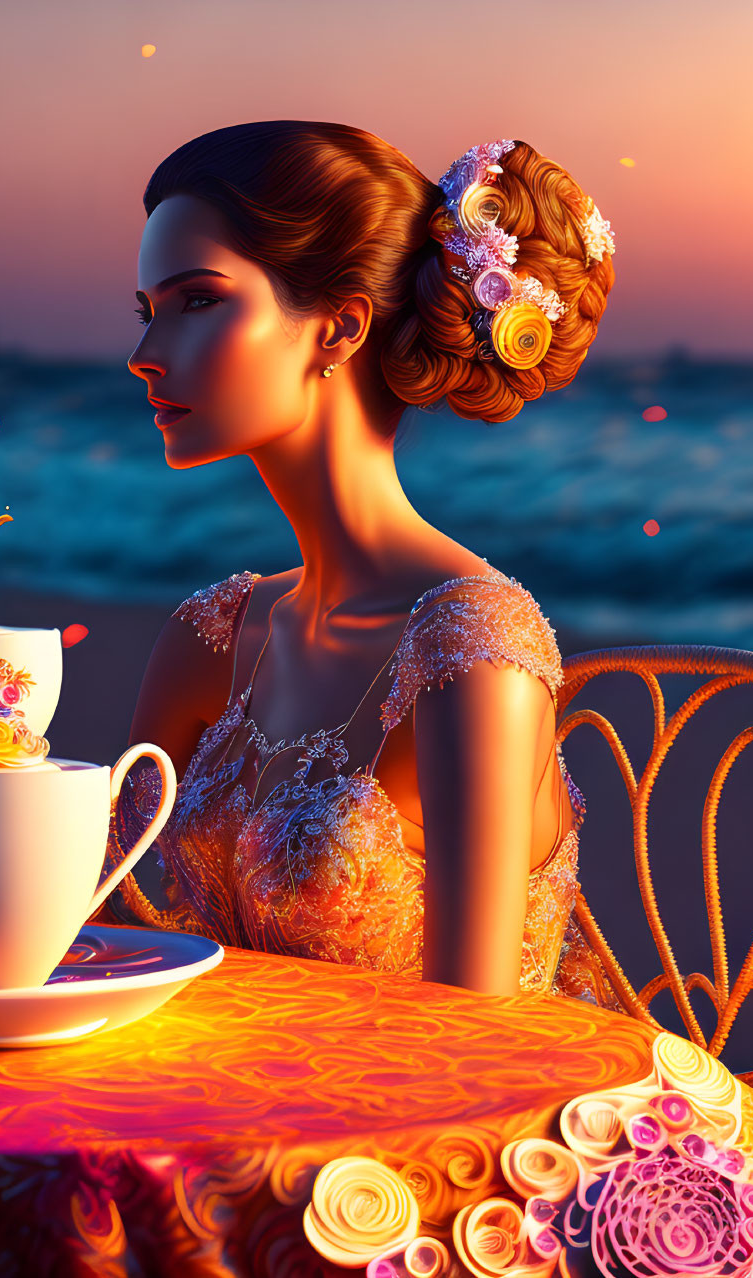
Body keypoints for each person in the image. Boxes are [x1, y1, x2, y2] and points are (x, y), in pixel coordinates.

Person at [90, 121, 620, 1006]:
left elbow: (468, 1039)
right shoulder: (210, 637)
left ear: (336, 327)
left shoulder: (473, 651)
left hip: (451, 1130)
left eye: (197, 302)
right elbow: (113, 940)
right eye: (149, 313)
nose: (146, 357)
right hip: (218, 1104)